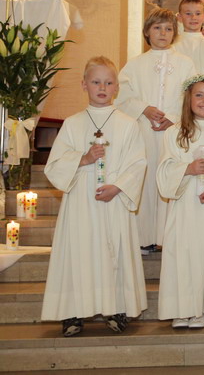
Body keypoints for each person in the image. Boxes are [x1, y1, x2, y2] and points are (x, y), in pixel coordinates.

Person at [42, 56, 147, 337]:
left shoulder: (128, 124)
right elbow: (54, 165)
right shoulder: (72, 124)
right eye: (96, 82)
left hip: (114, 199)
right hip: (81, 201)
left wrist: (118, 187)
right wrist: (84, 159)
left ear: (116, 88)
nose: (102, 87)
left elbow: (138, 163)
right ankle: (73, 312)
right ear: (84, 85)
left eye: (109, 83)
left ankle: (117, 308)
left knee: (115, 251)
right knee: (79, 253)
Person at [156, 75, 204, 329]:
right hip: (185, 206)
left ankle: (202, 308)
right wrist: (187, 169)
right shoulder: (174, 132)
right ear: (188, 99)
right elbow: (164, 169)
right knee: (184, 255)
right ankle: (182, 308)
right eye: (199, 95)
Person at [116, 9, 197, 250]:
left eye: (168, 29)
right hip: (143, 129)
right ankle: (144, 238)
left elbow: (192, 97)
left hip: (174, 131)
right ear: (147, 32)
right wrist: (144, 109)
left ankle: (167, 238)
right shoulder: (135, 64)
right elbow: (121, 95)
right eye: (157, 28)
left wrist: (173, 118)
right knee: (145, 179)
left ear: (175, 33)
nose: (163, 33)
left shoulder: (186, 64)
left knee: (170, 178)